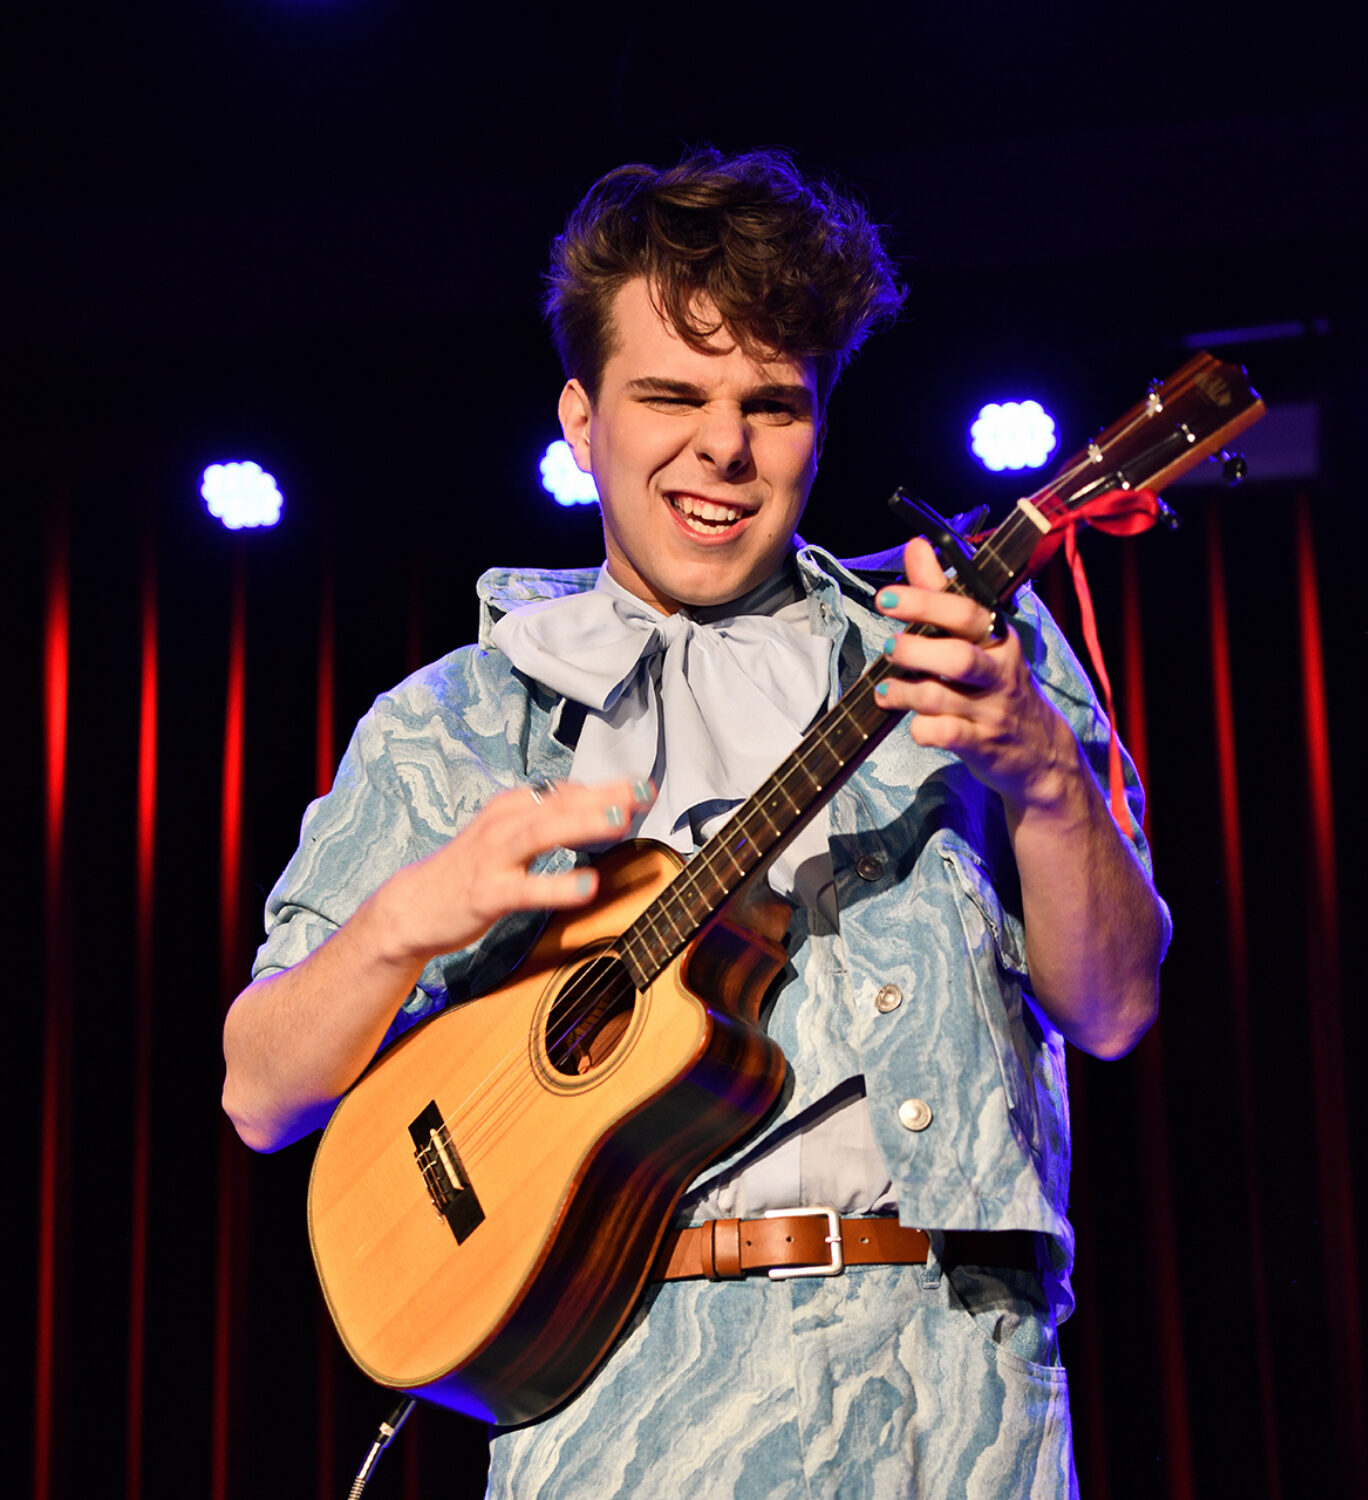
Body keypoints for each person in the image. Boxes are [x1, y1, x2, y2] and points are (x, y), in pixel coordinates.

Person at [223, 149, 1169, 1498]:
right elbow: (259, 1092)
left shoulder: (970, 647)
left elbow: (1118, 1009)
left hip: (953, 1403)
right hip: (612, 1417)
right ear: (580, 419)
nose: (722, 447)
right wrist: (406, 920)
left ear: (819, 424)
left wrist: (1047, 777)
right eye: (670, 395)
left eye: (769, 405)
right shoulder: (458, 720)